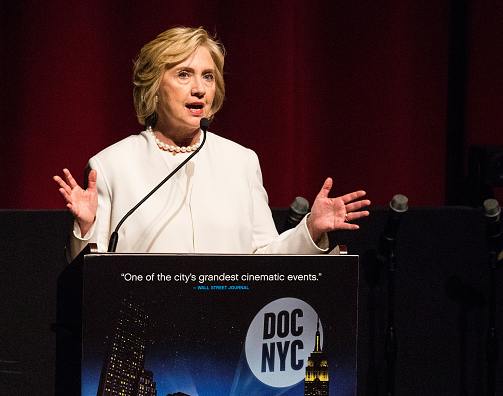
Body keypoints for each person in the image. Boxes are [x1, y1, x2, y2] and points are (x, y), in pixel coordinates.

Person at [54, 27, 370, 261]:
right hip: (147, 338)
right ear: (154, 88)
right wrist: (85, 228)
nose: (199, 89)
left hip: (228, 334)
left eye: (208, 76)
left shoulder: (241, 162)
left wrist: (310, 229)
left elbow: (265, 261)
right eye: (183, 74)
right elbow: (89, 277)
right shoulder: (112, 166)